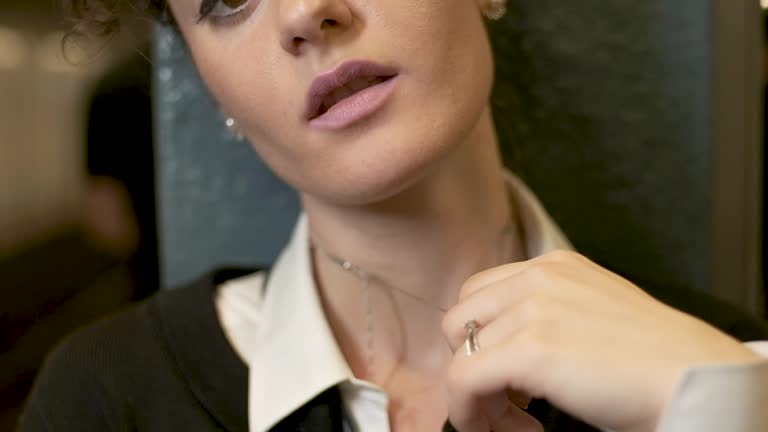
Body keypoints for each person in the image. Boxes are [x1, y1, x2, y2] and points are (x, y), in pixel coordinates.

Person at [19, 0, 768, 431]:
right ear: (213, 88)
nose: (305, 11)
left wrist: (724, 409)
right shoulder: (108, 398)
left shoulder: (726, 371)